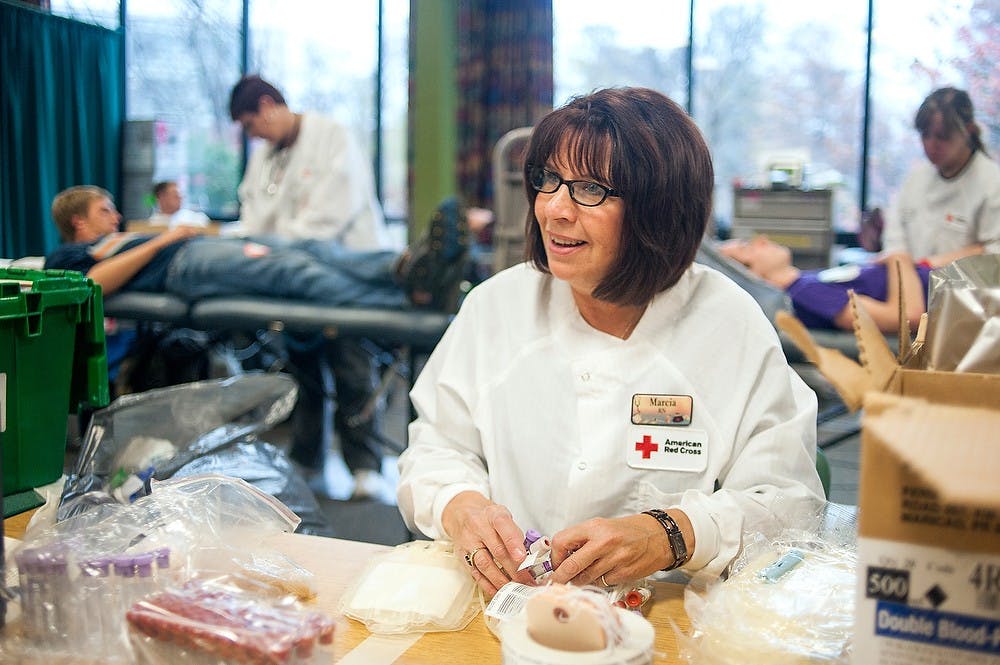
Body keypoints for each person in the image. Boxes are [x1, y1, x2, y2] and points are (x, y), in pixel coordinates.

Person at [396, 88, 825, 596]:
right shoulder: (497, 307)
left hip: (667, 621)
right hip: (510, 611)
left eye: (590, 189)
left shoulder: (729, 325)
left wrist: (672, 533)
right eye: (548, 180)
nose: (554, 209)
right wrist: (459, 504)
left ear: (659, 210)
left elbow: (791, 503)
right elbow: (437, 445)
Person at [229, 75, 398, 499]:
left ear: (269, 105)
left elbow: (329, 217)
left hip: (344, 270)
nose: (254, 135)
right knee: (303, 372)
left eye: (252, 124)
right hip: (293, 277)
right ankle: (308, 460)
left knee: (351, 367)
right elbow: (254, 213)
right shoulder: (266, 155)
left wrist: (278, 244)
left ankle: (365, 466)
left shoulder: (331, 136)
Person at [43, 186, 463, 324]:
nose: (115, 215)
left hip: (197, 250)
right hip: (182, 267)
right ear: (78, 222)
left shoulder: (116, 240)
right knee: (292, 270)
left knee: (309, 249)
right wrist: (162, 241)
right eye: (104, 210)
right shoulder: (67, 256)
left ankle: (407, 266)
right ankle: (409, 297)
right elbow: (94, 284)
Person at [882, 87, 1000, 267]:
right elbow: (895, 241)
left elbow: (995, 252)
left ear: (967, 131)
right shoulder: (915, 179)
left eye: (942, 136)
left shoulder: (992, 182)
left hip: (965, 291)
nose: (931, 145)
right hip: (912, 282)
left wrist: (933, 264)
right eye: (925, 135)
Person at [718, 235, 933, 333]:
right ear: (751, 274)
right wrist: (899, 260)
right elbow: (909, 318)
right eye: (747, 247)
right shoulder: (806, 294)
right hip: (950, 302)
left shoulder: (807, 282)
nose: (762, 240)